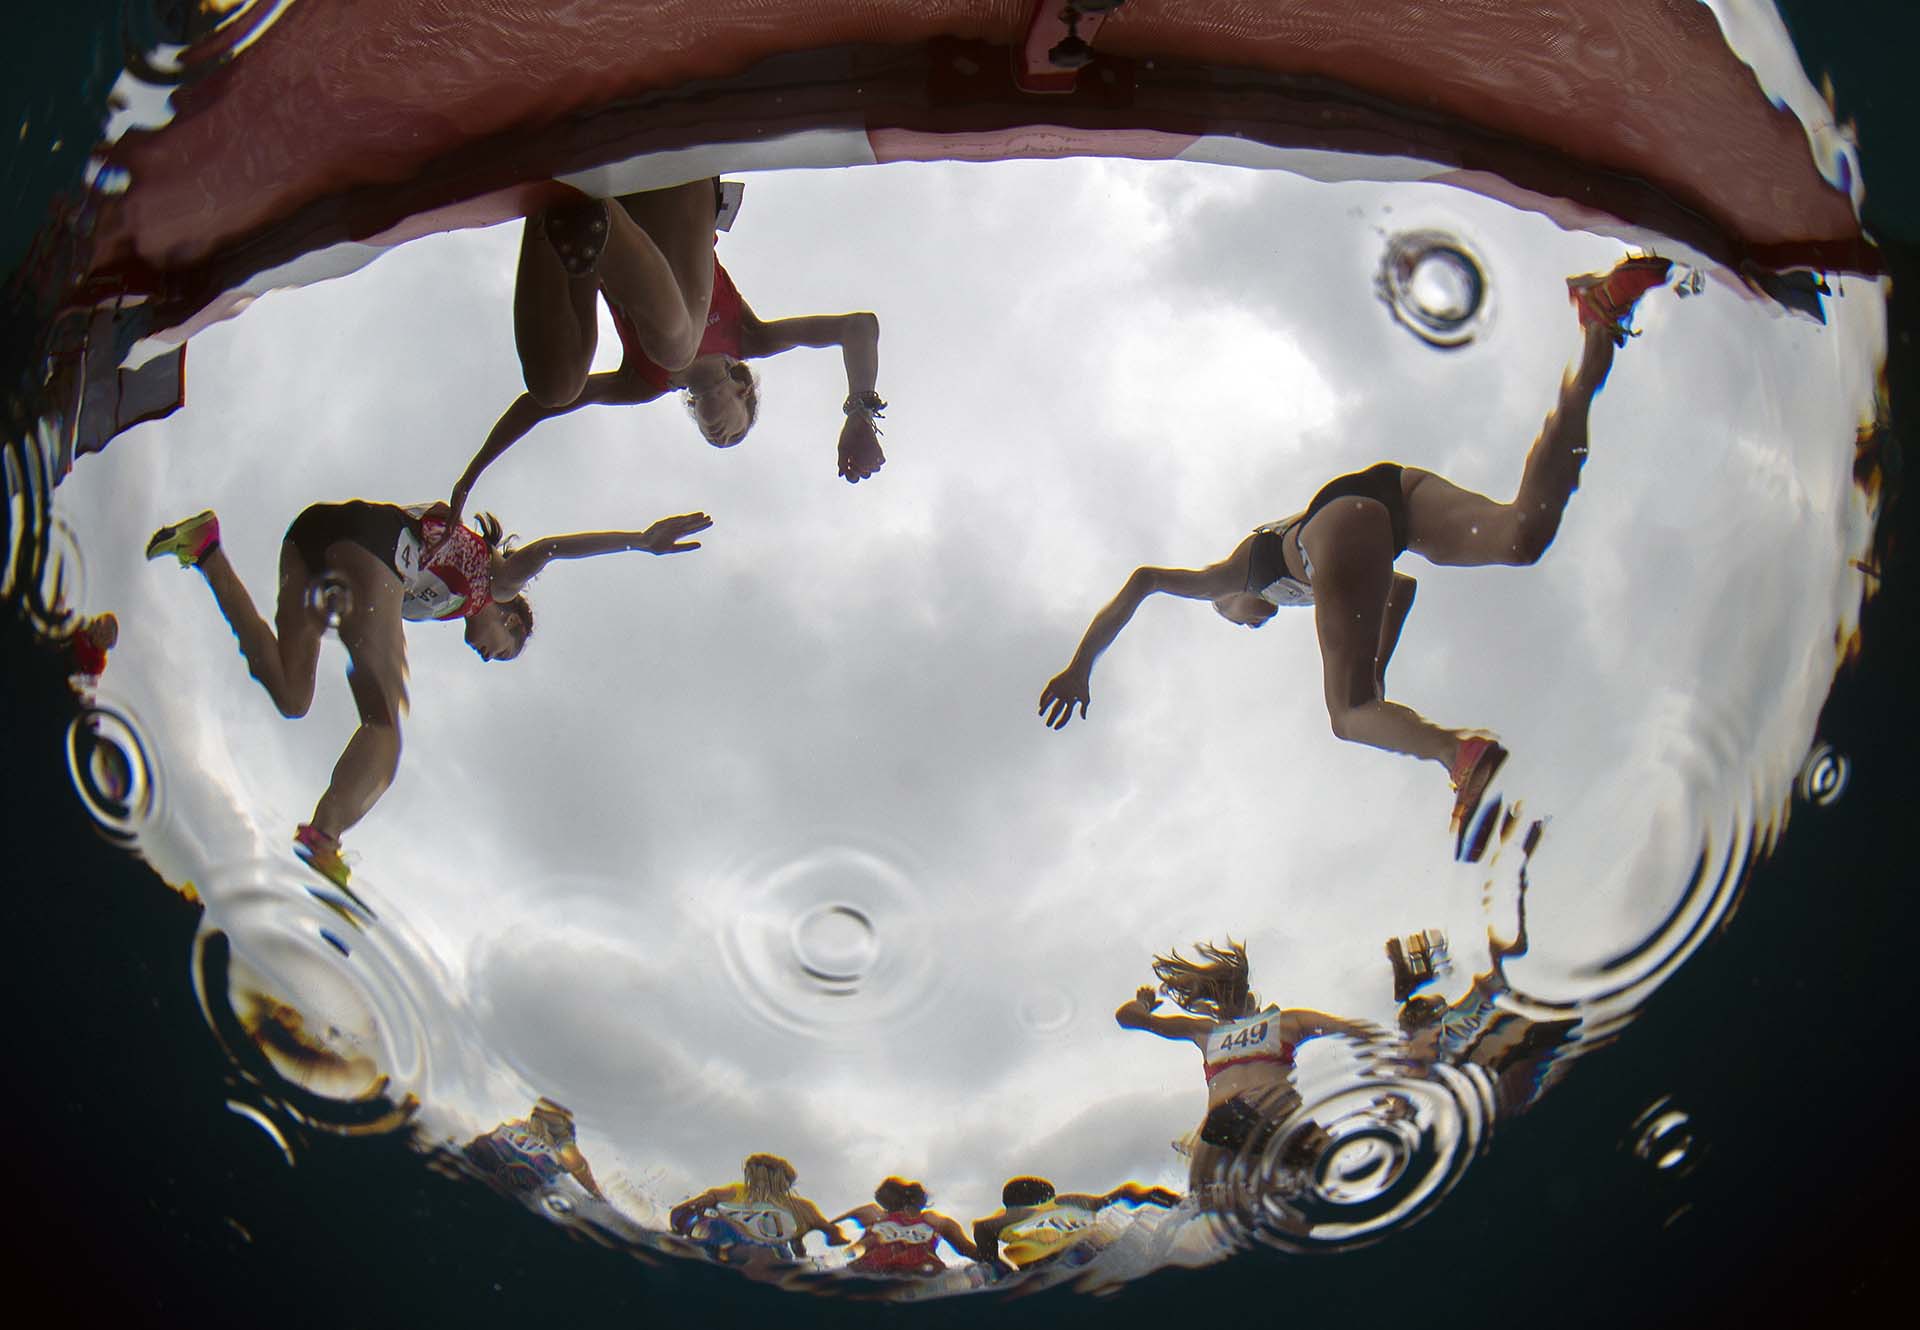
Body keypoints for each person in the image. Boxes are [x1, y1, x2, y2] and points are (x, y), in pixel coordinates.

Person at [1040, 256, 1672, 835]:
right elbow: (1398, 590)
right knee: (1520, 537)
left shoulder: (1238, 573)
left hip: (1333, 528)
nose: (1248, 623)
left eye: (1236, 622)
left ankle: (1459, 754)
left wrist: (1081, 665)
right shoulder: (1293, 588)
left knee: (1346, 718)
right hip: (1388, 503)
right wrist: (1375, 671)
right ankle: (1594, 334)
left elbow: (1147, 580)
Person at [144, 501, 710, 887]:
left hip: (312, 539)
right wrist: (639, 541)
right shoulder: (497, 582)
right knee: (383, 728)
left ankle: (206, 548)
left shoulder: (441, 603)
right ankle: (323, 841)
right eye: (502, 649)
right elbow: (553, 549)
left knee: (293, 694)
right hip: (370, 547)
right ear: (510, 619)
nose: (487, 655)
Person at [449, 177, 887, 527]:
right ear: (742, 387)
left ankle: (555, 212)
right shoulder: (749, 338)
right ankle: (590, 212)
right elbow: (858, 327)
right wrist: (859, 412)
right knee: (678, 349)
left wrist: (469, 479)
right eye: (736, 433)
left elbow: (534, 409)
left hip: (599, 205)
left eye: (715, 439)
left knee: (555, 388)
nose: (720, 438)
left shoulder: (643, 382)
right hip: (675, 188)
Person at [1115, 939, 1375, 1195]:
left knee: (1214, 1212)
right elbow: (1352, 1029)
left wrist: (1145, 1003)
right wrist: (1371, 1049)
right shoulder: (1286, 1021)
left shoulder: (1205, 1030)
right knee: (1344, 1180)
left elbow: (1127, 1017)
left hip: (1224, 1129)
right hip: (1274, 1125)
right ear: (1253, 1003)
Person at [1395, 820, 1578, 1113]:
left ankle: (1511, 864)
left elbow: (1496, 968)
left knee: (1502, 957)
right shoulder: (1450, 1057)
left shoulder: (1456, 1020)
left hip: (1534, 1032)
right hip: (1528, 1050)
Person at [972, 1175, 1179, 1273]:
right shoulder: (1070, 1201)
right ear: (1050, 1195)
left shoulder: (1012, 1216)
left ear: (1009, 1204)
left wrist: (995, 1265)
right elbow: (1125, 1192)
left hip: (1050, 1265)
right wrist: (1167, 1199)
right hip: (1102, 1249)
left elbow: (981, 1228)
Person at [668, 1153, 847, 1265]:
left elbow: (682, 1211)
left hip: (760, 1256)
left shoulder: (802, 1209)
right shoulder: (802, 1208)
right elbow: (834, 1235)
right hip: (752, 1255)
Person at [462, 1097, 606, 1200]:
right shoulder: (562, 1149)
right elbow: (578, 1166)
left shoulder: (515, 1125)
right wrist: (600, 1199)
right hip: (508, 1177)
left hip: (484, 1162)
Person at [834, 1177, 981, 1277]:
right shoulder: (933, 1220)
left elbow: (852, 1243)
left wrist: (837, 1252)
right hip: (919, 1274)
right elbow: (968, 1249)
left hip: (877, 1274)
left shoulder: (875, 1215)